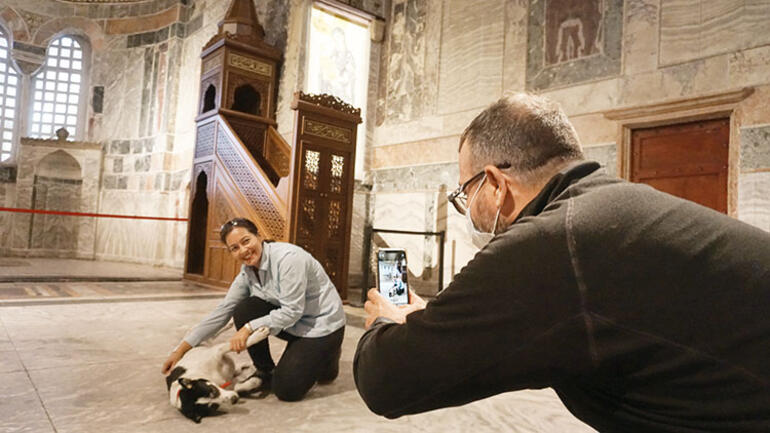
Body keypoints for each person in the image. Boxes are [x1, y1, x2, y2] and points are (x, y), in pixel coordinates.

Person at [353, 92, 770, 432]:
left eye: (467, 192)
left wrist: (388, 322)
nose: (468, 209)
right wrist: (438, 320)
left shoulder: (551, 241)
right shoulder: (613, 206)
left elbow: (387, 380)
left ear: (495, 183)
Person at [162, 218, 346, 402]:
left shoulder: (289, 259)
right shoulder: (248, 271)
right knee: (245, 308)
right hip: (294, 325)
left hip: (321, 326)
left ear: (259, 236)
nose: (243, 250)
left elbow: (292, 311)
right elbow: (223, 311)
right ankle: (265, 370)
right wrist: (180, 350)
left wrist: (249, 328)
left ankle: (329, 354)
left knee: (287, 391)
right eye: (234, 248)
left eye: (246, 241)